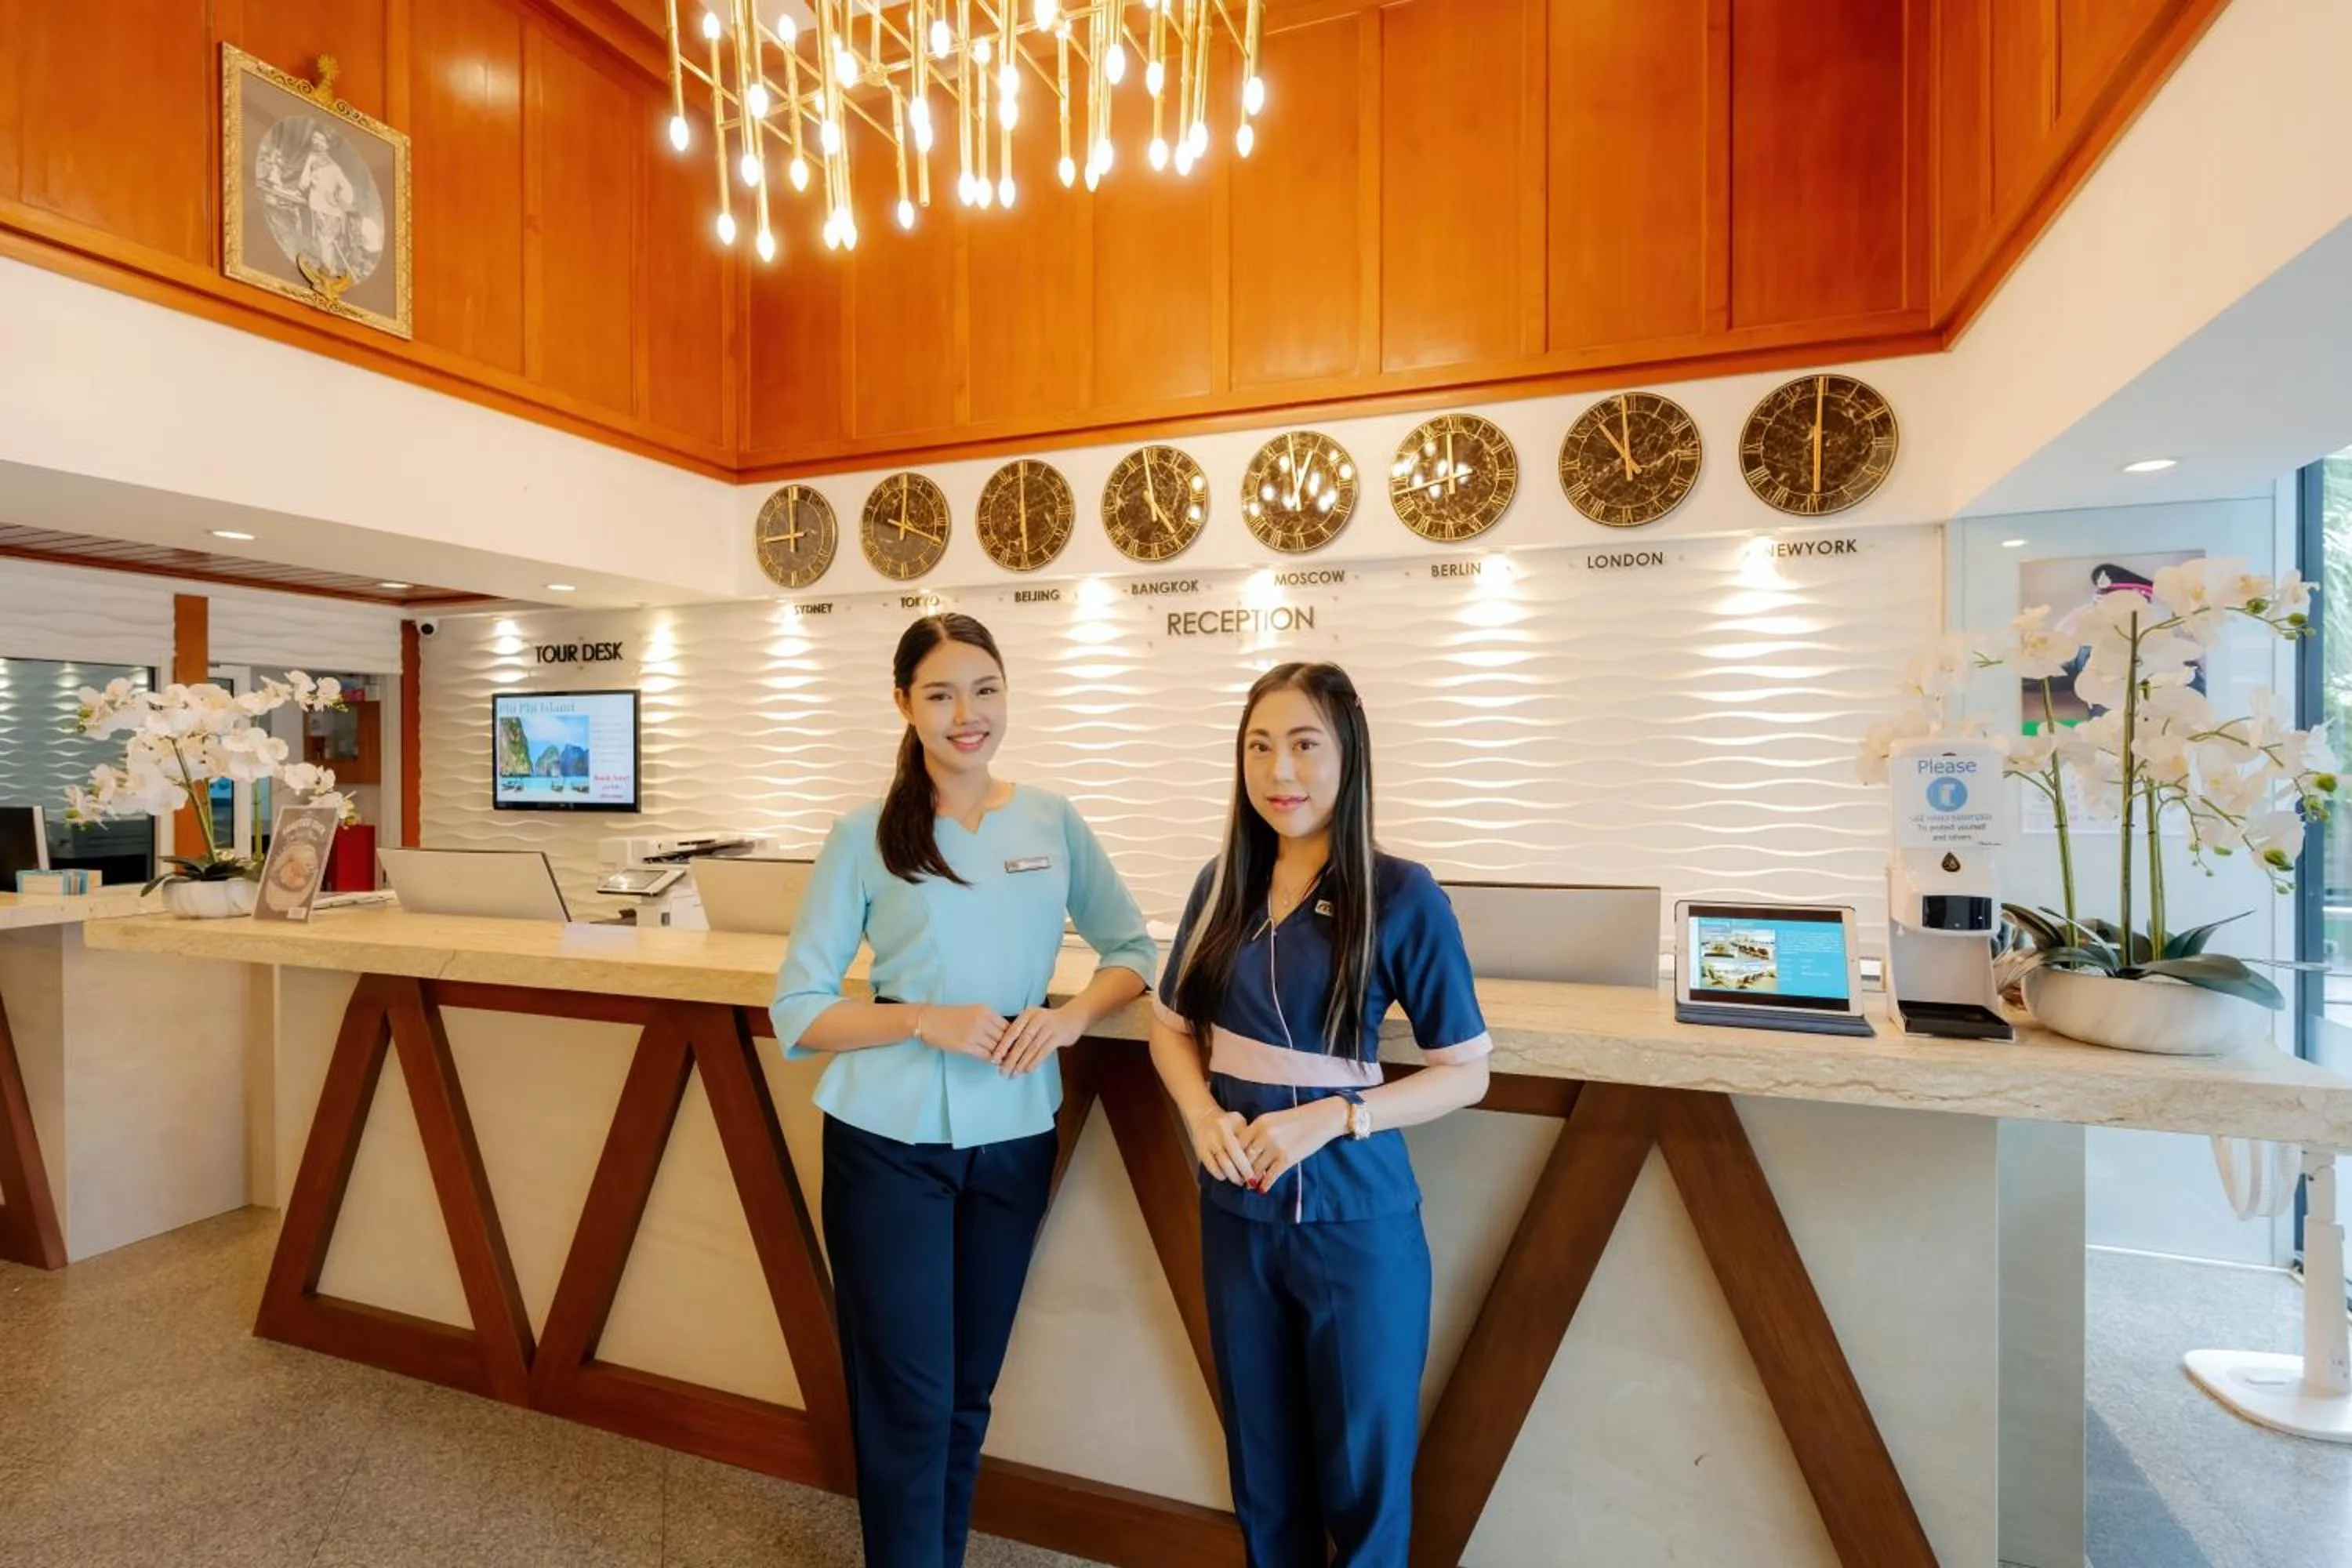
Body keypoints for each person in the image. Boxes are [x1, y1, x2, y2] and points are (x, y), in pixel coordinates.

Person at [769, 613, 1154, 1568]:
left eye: (985, 689)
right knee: (909, 1397)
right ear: (904, 703)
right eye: (940, 693)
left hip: (1016, 1136)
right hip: (887, 1146)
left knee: (967, 1391)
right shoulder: (863, 834)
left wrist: (1070, 1017)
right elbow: (798, 1007)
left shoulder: (1051, 818)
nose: (967, 713)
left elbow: (1132, 950)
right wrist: (918, 1017)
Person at [1149, 661, 1491, 1567]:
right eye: (1259, 746)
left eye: (1304, 745)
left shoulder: (1401, 893)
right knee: (1263, 1470)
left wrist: (1338, 1115)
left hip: (1356, 1220)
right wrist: (1199, 1114)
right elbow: (1170, 1028)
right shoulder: (1221, 883)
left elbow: (1466, 1072)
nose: (1280, 771)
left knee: (1364, 1476)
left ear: (1349, 755)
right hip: (1238, 1212)